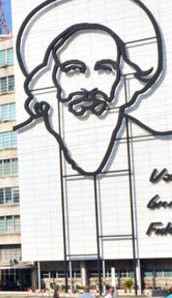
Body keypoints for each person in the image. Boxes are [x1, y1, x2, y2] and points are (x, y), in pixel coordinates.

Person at [14, 1, 169, 176]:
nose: (89, 85)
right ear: (47, 79)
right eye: (73, 70)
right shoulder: (31, 152)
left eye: (105, 70)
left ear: (122, 77)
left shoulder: (149, 143)